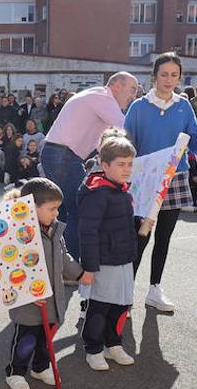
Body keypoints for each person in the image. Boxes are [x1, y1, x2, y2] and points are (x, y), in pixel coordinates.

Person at [122, 52, 197, 312]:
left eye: (174, 75)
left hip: (175, 178)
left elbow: (194, 139)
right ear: (154, 76)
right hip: (145, 180)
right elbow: (126, 141)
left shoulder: (184, 105)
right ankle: (125, 292)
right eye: (164, 74)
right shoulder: (139, 106)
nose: (169, 79)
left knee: (164, 237)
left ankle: (155, 289)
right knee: (139, 237)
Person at [42, 72, 139, 257]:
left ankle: (58, 262)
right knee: (79, 210)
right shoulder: (103, 97)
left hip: (57, 154)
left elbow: (104, 143)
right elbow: (125, 128)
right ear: (117, 86)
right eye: (132, 89)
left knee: (61, 213)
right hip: (63, 156)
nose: (134, 95)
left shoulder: (96, 98)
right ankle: (73, 265)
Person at [3, 178, 82, 389]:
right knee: (26, 339)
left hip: (52, 299)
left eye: (58, 208)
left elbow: (63, 257)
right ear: (31, 207)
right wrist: (28, 292)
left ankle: (40, 366)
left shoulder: (54, 229)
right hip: (29, 304)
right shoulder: (18, 234)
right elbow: (10, 269)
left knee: (46, 338)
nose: (56, 213)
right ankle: (16, 371)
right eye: (52, 209)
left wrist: (79, 273)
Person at [77, 129, 138, 371]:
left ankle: (113, 344)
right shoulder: (97, 193)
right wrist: (90, 267)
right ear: (104, 165)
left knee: (121, 304)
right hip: (103, 262)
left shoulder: (121, 190)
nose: (127, 169)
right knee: (100, 306)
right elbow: (88, 232)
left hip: (123, 259)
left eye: (130, 164)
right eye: (121, 164)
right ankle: (93, 349)